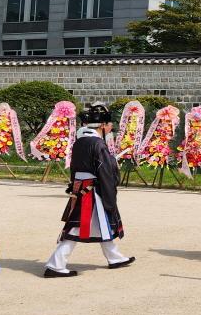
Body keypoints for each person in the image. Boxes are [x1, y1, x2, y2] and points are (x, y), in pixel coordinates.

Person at [44, 102, 135, 277]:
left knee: (101, 224)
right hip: (92, 191)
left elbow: (74, 167)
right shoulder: (98, 144)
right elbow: (105, 171)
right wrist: (112, 185)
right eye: (109, 125)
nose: (110, 128)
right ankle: (55, 265)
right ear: (102, 125)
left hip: (82, 187)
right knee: (77, 227)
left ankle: (115, 257)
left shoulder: (80, 142)